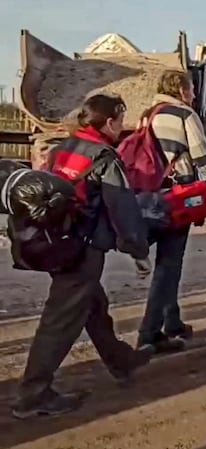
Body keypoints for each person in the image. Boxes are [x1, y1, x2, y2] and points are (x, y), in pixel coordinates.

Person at [13, 94, 152, 419]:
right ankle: (33, 394)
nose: (122, 127)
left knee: (92, 305)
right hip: (82, 248)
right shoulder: (104, 157)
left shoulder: (63, 148)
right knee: (61, 318)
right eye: (120, 120)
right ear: (109, 122)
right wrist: (138, 251)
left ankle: (121, 361)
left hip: (57, 241)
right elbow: (123, 209)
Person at [135, 70, 206, 354]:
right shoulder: (184, 114)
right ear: (182, 90)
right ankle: (149, 333)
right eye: (191, 89)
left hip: (146, 195)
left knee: (165, 263)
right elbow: (202, 156)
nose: (194, 94)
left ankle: (172, 323)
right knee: (169, 266)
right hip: (175, 197)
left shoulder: (147, 114)